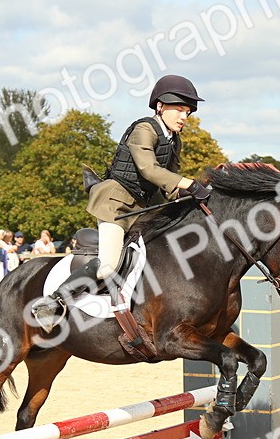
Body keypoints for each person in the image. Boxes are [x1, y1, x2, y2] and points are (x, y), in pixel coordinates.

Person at [30, 74, 210, 324]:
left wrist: (188, 194)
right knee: (108, 265)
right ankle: (53, 301)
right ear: (160, 106)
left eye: (187, 112)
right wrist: (189, 184)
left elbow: (169, 182)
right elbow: (149, 169)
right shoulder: (144, 129)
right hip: (115, 204)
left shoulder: (174, 141)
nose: (184, 117)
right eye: (179, 110)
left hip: (143, 208)